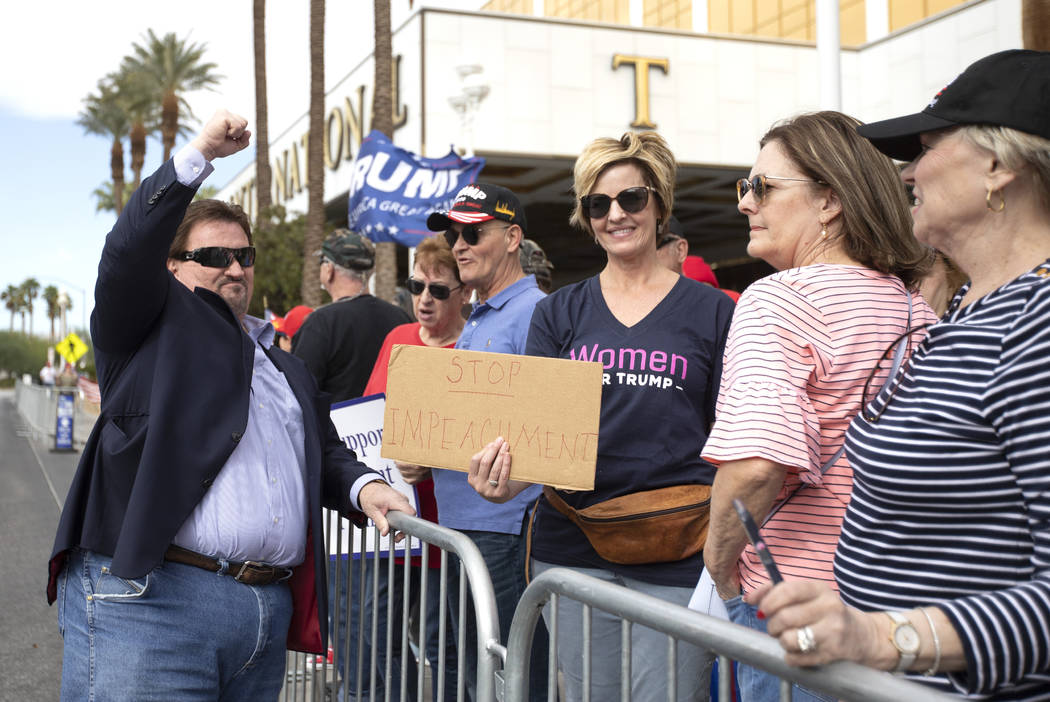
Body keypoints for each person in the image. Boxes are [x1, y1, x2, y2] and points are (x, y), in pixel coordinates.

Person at [46, 109, 413, 700]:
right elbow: (124, 255)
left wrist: (369, 488)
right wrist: (199, 157)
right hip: (153, 607)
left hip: (262, 618)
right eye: (213, 257)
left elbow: (324, 451)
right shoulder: (144, 331)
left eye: (244, 256)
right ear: (171, 269)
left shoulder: (284, 366)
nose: (235, 267)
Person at [749, 50, 1050, 701]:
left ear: (999, 168)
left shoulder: (1037, 327)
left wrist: (891, 639)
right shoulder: (972, 309)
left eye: (928, 145)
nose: (908, 170)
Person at [469, 132, 734, 702]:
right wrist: (501, 480)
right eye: (598, 203)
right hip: (573, 546)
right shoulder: (560, 310)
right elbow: (535, 436)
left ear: (659, 203)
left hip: (679, 549)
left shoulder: (715, 311)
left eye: (631, 199)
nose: (616, 215)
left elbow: (732, 435)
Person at [697, 110, 936, 702]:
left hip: (798, 609)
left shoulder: (776, 300)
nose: (745, 203)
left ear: (829, 201)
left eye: (763, 186)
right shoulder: (920, 314)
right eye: (743, 187)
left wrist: (719, 565)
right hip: (904, 613)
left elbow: (757, 464)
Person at [419, 182, 548, 701]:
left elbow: (543, 428)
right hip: (467, 528)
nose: (459, 245)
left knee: (506, 676)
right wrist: (424, 457)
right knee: (482, 672)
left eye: (473, 232)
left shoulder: (534, 311)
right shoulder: (484, 313)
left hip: (501, 530)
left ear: (512, 237)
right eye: (455, 234)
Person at [363, 234, 471, 702]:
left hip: (445, 523)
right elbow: (369, 415)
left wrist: (436, 460)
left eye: (438, 289)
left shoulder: (474, 345)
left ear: (464, 293)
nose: (424, 299)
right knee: (380, 631)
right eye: (417, 285)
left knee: (441, 640)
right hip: (392, 519)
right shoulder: (397, 338)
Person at [292, 228, 411, 403]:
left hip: (334, 429)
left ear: (329, 269)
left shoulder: (320, 324)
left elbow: (297, 393)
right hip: (393, 426)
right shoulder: (400, 318)